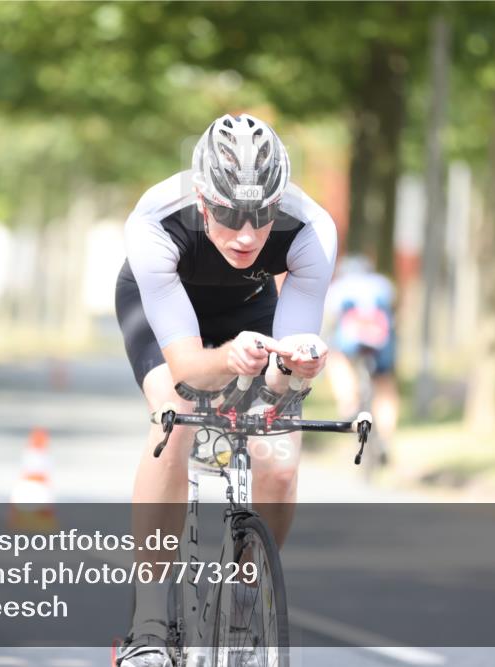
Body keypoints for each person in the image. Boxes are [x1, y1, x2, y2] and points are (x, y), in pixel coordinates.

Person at [113, 113, 338, 667]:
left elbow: (283, 378)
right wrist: (228, 357)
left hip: (250, 309)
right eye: (230, 214)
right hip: (163, 311)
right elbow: (189, 368)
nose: (246, 234)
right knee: (175, 415)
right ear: (201, 198)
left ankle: (247, 598)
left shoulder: (311, 228)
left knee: (279, 457)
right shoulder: (155, 221)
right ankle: (148, 623)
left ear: (279, 203)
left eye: (261, 217)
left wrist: (295, 368)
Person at [323, 255, 399, 463]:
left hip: (351, 340)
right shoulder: (383, 284)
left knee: (335, 358)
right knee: (384, 385)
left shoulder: (338, 287)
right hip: (382, 341)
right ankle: (385, 439)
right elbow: (393, 310)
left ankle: (349, 404)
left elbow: (331, 316)